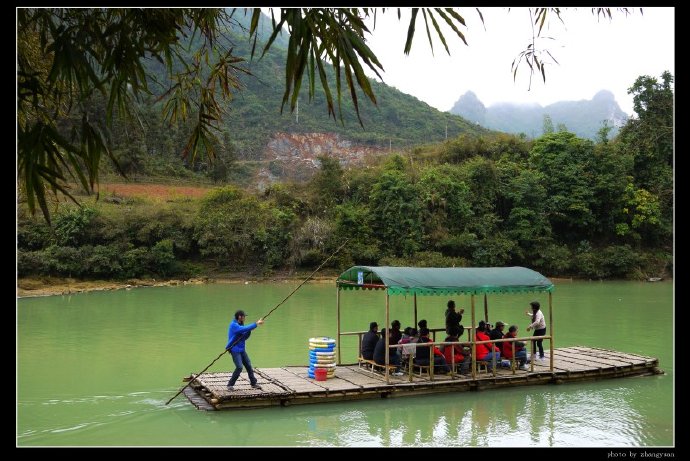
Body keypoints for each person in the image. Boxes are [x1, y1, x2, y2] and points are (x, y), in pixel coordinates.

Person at [226, 309, 264, 390]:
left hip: (242, 349)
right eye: (244, 316)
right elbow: (242, 330)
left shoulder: (241, 325)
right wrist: (256, 324)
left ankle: (253, 383)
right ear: (239, 317)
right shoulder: (234, 325)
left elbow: (244, 337)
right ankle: (230, 385)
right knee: (239, 367)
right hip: (235, 350)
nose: (245, 318)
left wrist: (249, 330)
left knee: (249, 366)